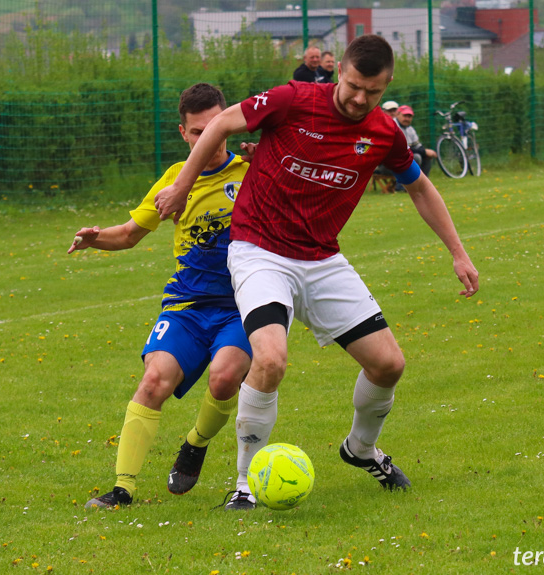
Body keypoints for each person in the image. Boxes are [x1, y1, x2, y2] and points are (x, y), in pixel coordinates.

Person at [154, 35, 479, 510]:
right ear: (339, 72)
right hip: (259, 249)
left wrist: (459, 252)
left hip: (321, 259)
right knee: (270, 359)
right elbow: (222, 121)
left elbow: (420, 187)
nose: (359, 98)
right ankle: (245, 483)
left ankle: (361, 448)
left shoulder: (384, 131)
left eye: (372, 91)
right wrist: (183, 185)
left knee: (389, 364)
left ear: (386, 84)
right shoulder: (292, 100)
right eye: (352, 86)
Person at [73, 83, 253, 509]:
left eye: (215, 127)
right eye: (196, 131)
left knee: (226, 377)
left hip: (241, 305)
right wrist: (95, 239)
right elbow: (130, 234)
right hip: (187, 306)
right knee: (154, 380)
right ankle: (122, 490)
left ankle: (195, 443)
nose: (207, 138)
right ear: (183, 133)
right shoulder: (175, 179)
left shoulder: (250, 170)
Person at [395, 105, 436, 179]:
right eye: (405, 116)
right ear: (397, 114)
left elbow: (417, 145)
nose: (407, 119)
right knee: (416, 157)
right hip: (390, 162)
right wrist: (424, 151)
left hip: (403, 157)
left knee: (426, 157)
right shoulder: (393, 126)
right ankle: (404, 185)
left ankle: (422, 183)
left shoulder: (410, 129)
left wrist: (425, 152)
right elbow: (400, 149)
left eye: (409, 116)